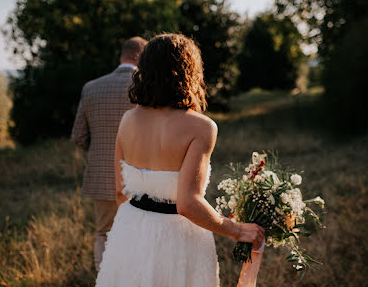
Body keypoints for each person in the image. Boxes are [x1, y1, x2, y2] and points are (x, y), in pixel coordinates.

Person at [95, 33, 264, 287]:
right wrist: (237, 230)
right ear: (190, 72)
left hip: (129, 229)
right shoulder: (202, 127)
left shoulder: (127, 120)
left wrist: (139, 228)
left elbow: (120, 191)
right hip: (177, 241)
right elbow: (187, 203)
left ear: (145, 70)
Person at [71, 36, 148, 271]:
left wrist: (101, 151)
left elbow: (79, 137)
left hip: (102, 174)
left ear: (122, 56)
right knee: (139, 235)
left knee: (104, 233)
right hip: (141, 176)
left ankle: (104, 280)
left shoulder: (91, 87)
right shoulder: (147, 87)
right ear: (141, 58)